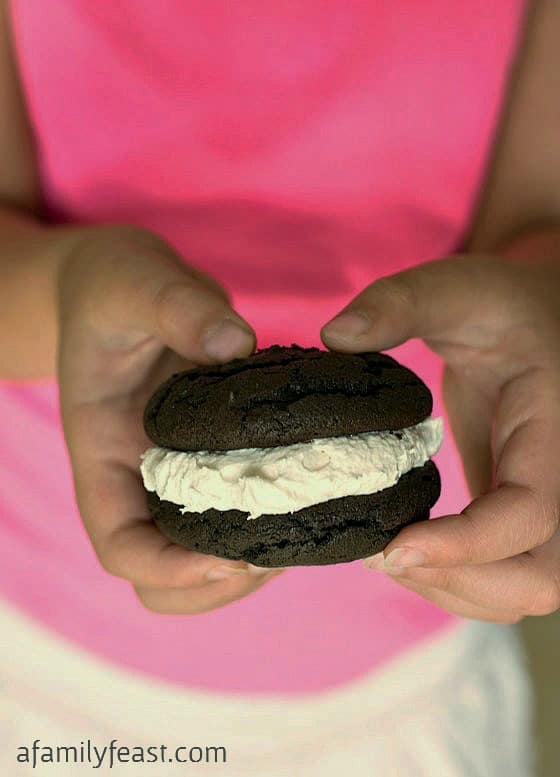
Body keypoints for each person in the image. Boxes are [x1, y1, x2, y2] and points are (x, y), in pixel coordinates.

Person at [1, 0, 558, 774]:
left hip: (406, 681)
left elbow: (539, 212)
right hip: (50, 659)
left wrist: (542, 295)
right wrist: (66, 291)